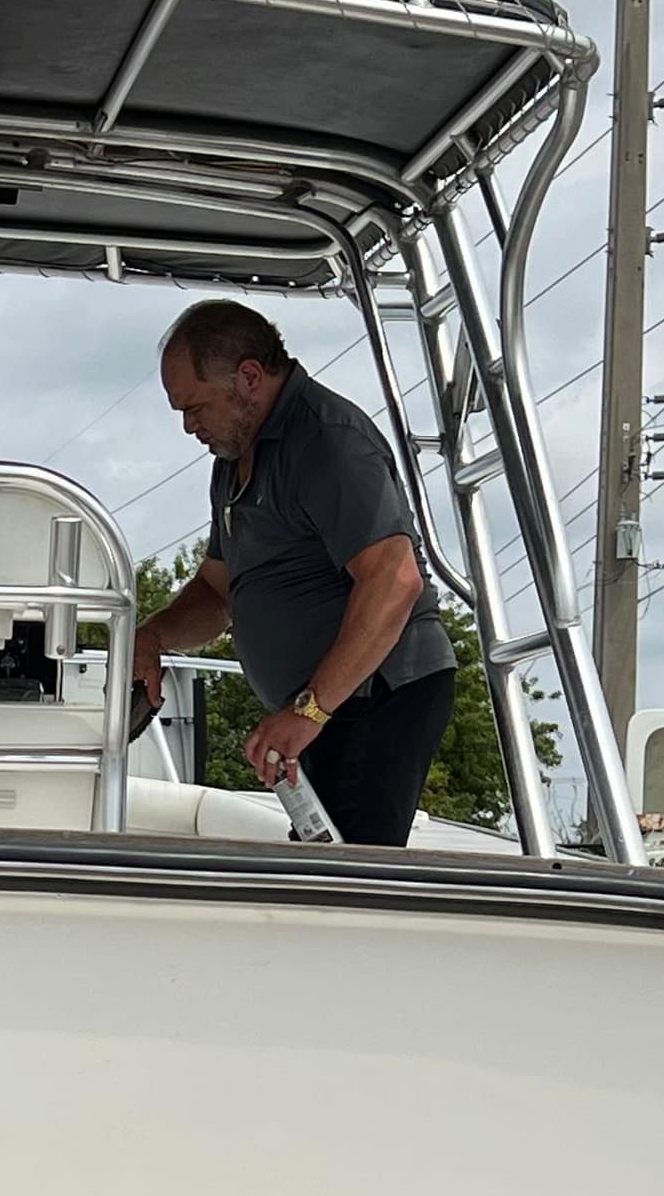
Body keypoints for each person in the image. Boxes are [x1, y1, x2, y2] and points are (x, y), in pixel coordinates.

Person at [130, 300, 460, 845]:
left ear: (250, 377)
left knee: (349, 884)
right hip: (332, 706)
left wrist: (310, 710)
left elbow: (394, 580)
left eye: (195, 408)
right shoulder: (232, 463)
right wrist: (154, 636)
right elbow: (219, 590)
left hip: (379, 696)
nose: (189, 427)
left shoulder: (328, 441)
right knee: (319, 864)